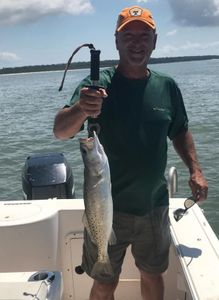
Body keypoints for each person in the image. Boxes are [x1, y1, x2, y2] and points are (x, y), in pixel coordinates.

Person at [53, 5, 208, 300]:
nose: (136, 43)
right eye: (128, 37)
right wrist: (81, 109)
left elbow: (179, 130)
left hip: (155, 206)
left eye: (143, 36)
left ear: (154, 41)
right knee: (104, 283)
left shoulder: (167, 86)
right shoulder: (96, 86)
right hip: (107, 209)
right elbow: (61, 130)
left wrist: (195, 170)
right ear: (116, 42)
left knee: (153, 274)